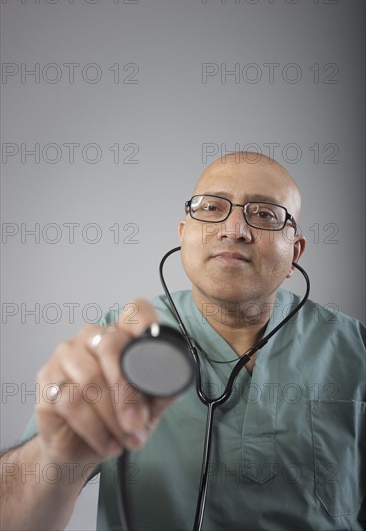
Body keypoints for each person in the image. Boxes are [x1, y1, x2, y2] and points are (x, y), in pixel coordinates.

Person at [1, 153, 365, 531]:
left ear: (296, 253)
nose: (234, 228)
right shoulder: (118, 340)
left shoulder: (356, 349)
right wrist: (56, 456)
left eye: (265, 214)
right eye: (211, 207)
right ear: (183, 234)